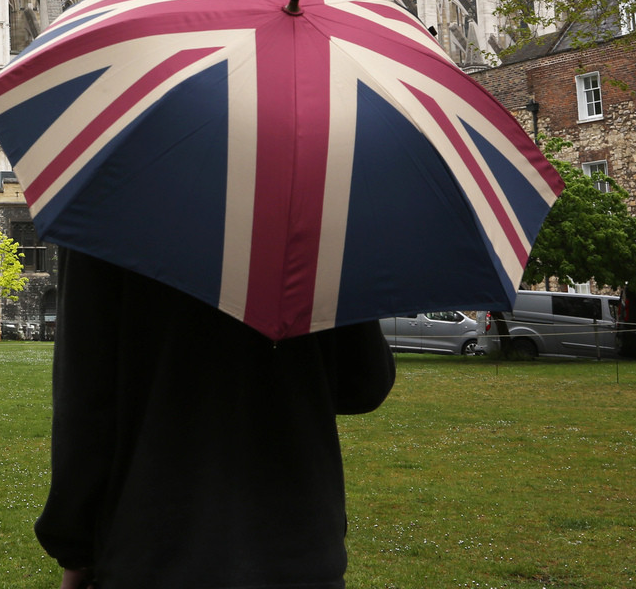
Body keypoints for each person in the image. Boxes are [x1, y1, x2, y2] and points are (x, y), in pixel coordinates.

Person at [35, 248, 395, 589]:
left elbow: (86, 402)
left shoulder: (101, 202)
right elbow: (363, 382)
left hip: (157, 543)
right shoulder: (316, 206)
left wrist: (75, 548)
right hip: (298, 543)